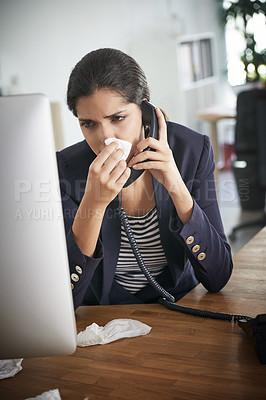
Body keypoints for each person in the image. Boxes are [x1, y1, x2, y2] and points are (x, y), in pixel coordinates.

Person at [57, 48, 233, 310]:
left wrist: (176, 186)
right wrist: (93, 205)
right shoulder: (68, 168)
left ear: (145, 110)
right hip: (104, 316)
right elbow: (63, 300)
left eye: (118, 118)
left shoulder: (191, 151)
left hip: (179, 308)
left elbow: (218, 277)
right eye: (89, 124)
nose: (105, 138)